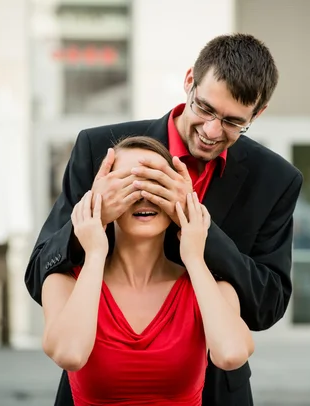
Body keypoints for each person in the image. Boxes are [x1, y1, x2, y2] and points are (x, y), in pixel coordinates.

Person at [25, 33, 303, 406]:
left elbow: (268, 304)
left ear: (258, 113)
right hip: (101, 380)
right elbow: (39, 269)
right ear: (190, 80)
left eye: (234, 122)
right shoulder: (98, 150)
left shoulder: (275, 180)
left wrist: (198, 228)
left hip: (219, 390)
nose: (211, 131)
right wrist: (93, 219)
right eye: (205, 108)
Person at [41, 136, 253, 405]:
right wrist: (94, 251)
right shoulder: (63, 283)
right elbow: (70, 355)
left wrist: (195, 258)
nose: (143, 196)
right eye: (127, 184)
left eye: (157, 184)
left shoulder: (211, 288)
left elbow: (231, 355)